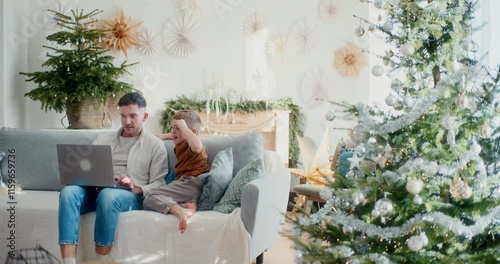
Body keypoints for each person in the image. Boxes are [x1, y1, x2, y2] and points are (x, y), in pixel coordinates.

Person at [58, 92, 168, 263]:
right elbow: (88, 168)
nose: (127, 121)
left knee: (108, 195)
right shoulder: (104, 139)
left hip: (128, 195)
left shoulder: (155, 145)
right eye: (123, 116)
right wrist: (85, 179)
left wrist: (135, 187)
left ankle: (100, 260)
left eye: (133, 116)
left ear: (144, 116)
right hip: (95, 190)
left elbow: (159, 183)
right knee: (68, 192)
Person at [144, 110, 210, 234]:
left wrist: (184, 127)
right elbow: (175, 135)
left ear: (191, 132)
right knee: (156, 198)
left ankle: (181, 212)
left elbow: (196, 146)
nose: (173, 131)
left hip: (190, 182)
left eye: (178, 128)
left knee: (149, 197)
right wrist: (164, 136)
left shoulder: (195, 144)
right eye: (173, 128)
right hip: (187, 187)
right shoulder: (183, 140)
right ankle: (189, 206)